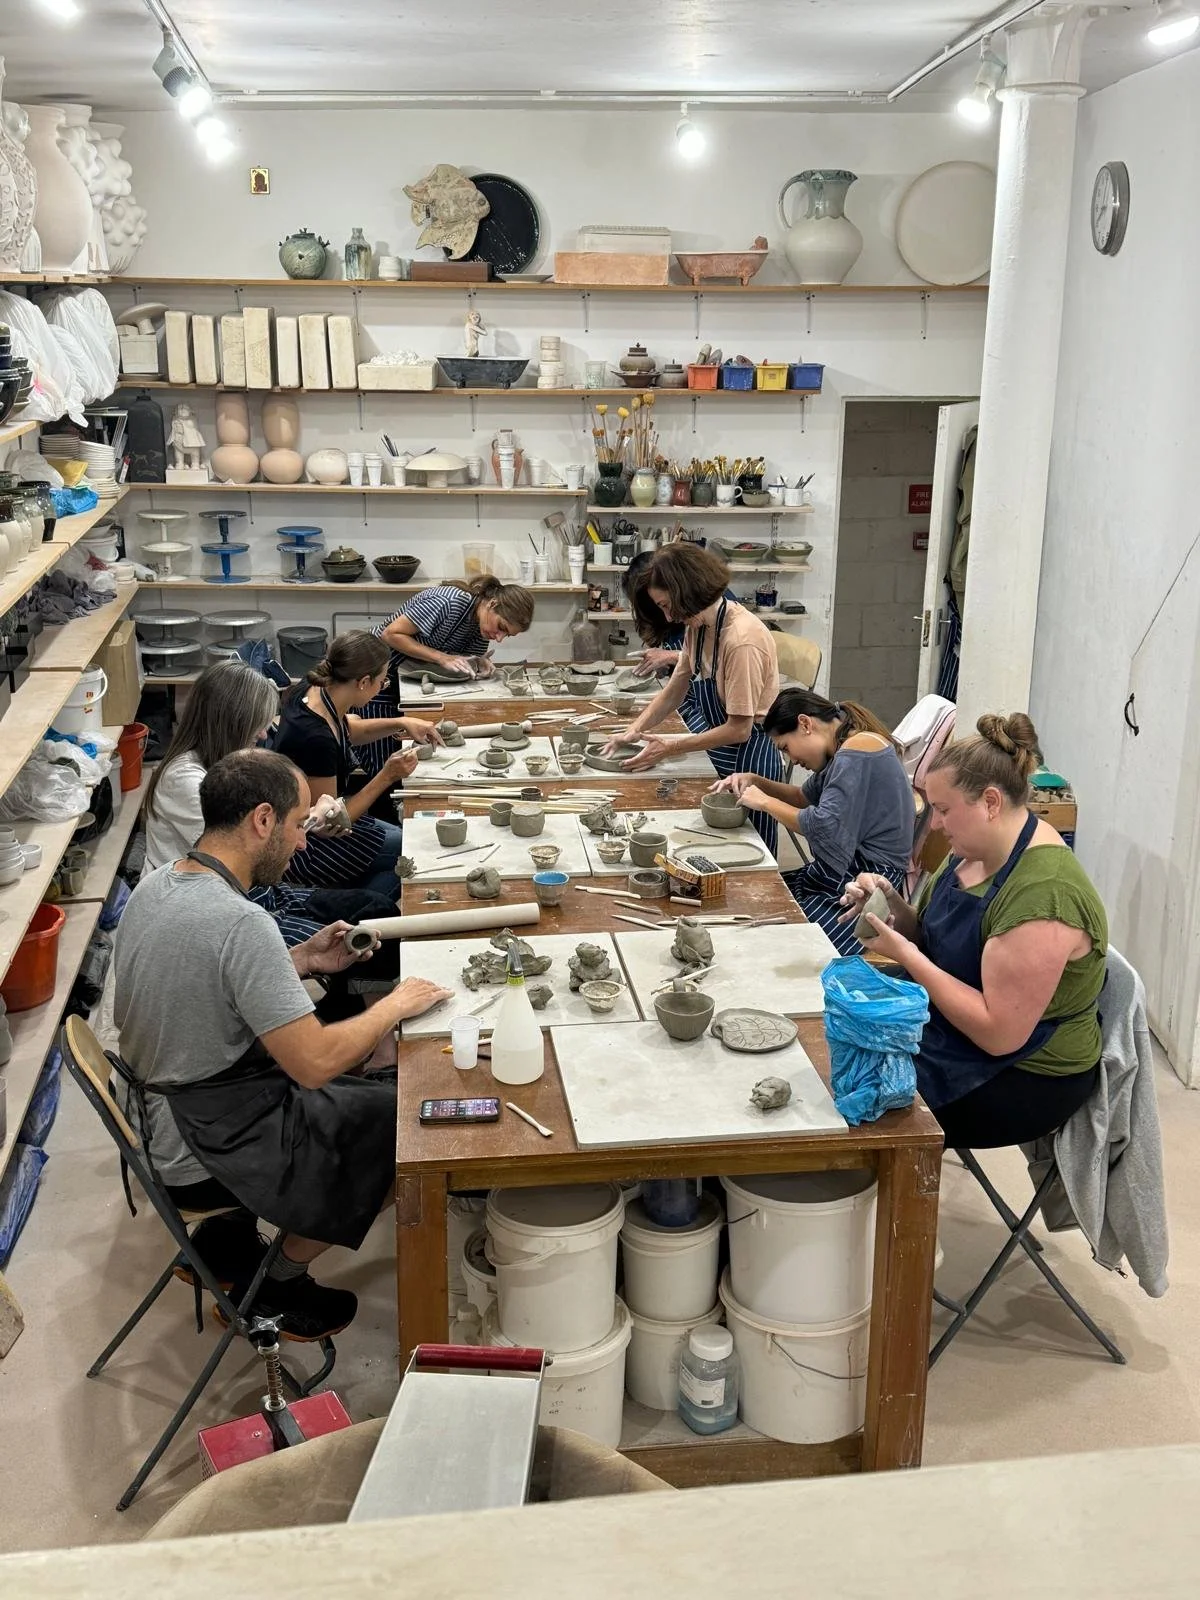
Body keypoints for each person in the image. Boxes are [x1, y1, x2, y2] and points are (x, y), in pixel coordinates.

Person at [114, 749, 452, 1338]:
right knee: (410, 1130)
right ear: (262, 819)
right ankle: (277, 1283)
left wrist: (298, 960)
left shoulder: (159, 883)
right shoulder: (241, 923)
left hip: (156, 1117)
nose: (301, 842)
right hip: (199, 1142)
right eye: (298, 824)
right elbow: (315, 1063)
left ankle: (227, 1242)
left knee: (367, 1095)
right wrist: (396, 1005)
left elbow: (204, 976)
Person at [841, 713, 1108, 1149]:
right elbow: (931, 936)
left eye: (944, 810)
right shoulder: (976, 847)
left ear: (990, 802)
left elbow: (998, 1034)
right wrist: (891, 904)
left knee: (855, 1096)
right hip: (953, 1026)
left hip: (1024, 1074)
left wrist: (905, 955)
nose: (935, 824)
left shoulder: (1045, 896)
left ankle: (886, 1185)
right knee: (834, 1030)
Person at [144, 659, 339, 946]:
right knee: (341, 942)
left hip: (240, 890)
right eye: (256, 725)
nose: (263, 734)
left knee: (368, 908)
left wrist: (303, 819)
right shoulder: (186, 780)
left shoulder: (223, 765)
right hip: (205, 910)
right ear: (230, 723)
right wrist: (310, 817)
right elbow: (253, 851)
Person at [603, 543, 784, 852]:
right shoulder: (699, 627)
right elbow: (675, 690)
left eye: (667, 605)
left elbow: (740, 729)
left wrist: (670, 747)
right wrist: (632, 731)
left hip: (750, 757)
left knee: (748, 855)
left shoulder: (741, 639)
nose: (669, 616)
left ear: (687, 591)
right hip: (720, 748)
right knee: (713, 848)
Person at [712, 687, 914, 955]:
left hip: (869, 883)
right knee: (759, 899)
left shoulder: (857, 749)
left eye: (786, 748)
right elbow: (803, 797)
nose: (793, 760)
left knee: (789, 940)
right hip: (849, 871)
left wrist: (765, 802)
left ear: (805, 724)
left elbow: (824, 825)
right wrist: (755, 780)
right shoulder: (845, 743)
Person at [271, 631, 442, 900]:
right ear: (363, 682)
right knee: (409, 851)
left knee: (403, 835)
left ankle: (356, 891)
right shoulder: (314, 738)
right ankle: (353, 910)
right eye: (382, 681)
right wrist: (387, 776)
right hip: (302, 844)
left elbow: (347, 730)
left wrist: (402, 723)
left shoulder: (316, 687)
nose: (382, 686)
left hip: (320, 816)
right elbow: (331, 823)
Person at [357, 575, 535, 775]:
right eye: (501, 627)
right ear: (492, 604)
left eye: (507, 635)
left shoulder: (481, 628)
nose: (499, 638)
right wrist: (440, 657)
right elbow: (391, 634)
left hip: (407, 679)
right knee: (381, 758)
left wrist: (478, 661)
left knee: (403, 754)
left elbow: (459, 659)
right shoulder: (449, 601)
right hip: (374, 671)